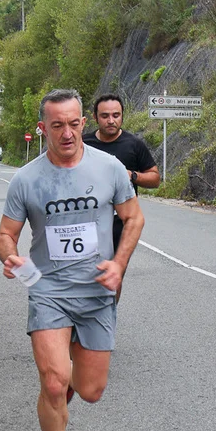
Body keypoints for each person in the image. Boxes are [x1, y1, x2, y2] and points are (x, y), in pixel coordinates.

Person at [0, 88, 144, 431]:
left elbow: (133, 218)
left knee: (91, 390)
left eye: (74, 124)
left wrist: (119, 264)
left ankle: (66, 386)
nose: (67, 133)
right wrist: (10, 257)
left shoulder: (110, 168)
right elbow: (5, 234)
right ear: (43, 128)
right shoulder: (26, 179)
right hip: (48, 291)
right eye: (57, 125)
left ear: (83, 123)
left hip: (96, 292)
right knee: (54, 381)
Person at [83, 94, 160, 302]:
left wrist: (131, 175)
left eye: (116, 115)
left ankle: (109, 314)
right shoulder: (83, 144)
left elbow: (155, 178)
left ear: (122, 116)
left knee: (113, 276)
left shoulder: (133, 144)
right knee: (86, 275)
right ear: (95, 118)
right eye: (105, 116)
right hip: (88, 221)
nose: (111, 120)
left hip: (120, 222)